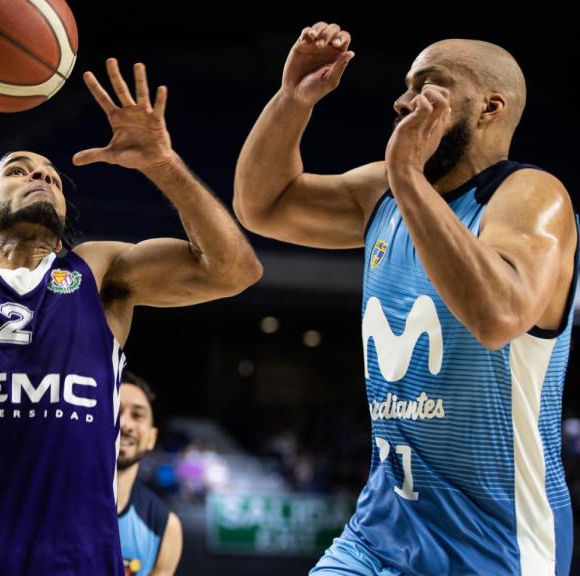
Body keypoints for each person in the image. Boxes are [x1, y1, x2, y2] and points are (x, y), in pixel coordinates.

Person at [0, 0, 262, 572]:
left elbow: (234, 271)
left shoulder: (97, 274)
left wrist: (163, 162)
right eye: (18, 169)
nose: (41, 175)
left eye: (52, 177)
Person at [233, 21, 577, 575]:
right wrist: (292, 101)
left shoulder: (530, 197)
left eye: (428, 85)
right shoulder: (385, 192)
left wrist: (409, 177)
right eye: (407, 85)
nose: (403, 101)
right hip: (378, 534)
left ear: (489, 108)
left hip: (495, 546)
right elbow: (263, 205)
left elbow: (498, 316)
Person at [116, 371, 182, 576]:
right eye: (115, 411)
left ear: (152, 438)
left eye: (137, 415)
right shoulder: (52, 501)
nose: (125, 425)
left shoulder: (165, 527)